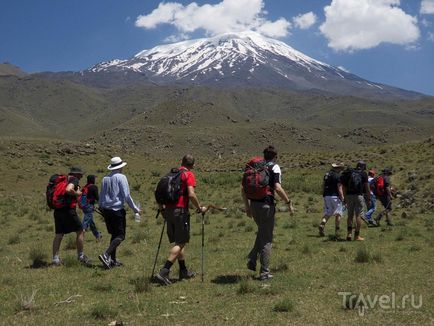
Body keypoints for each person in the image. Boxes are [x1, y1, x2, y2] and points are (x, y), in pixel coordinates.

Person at [242, 145, 294, 281]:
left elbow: (243, 189)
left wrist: (247, 207)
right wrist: (288, 202)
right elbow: (277, 187)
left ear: (264, 155)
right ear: (275, 156)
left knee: (262, 232)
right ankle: (264, 272)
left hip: (253, 204)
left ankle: (252, 259)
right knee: (266, 239)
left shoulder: (255, 167)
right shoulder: (274, 167)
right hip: (266, 205)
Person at [156, 154, 206, 285]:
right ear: (193, 165)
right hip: (180, 212)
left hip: (168, 211)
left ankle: (183, 271)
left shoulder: (170, 174)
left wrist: (162, 210)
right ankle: (164, 271)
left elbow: (158, 193)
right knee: (181, 242)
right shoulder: (187, 175)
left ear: (182, 162)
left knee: (178, 241)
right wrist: (199, 207)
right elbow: (191, 194)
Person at [98, 157, 141, 269]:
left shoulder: (105, 178)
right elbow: (126, 195)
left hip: (106, 210)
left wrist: (101, 208)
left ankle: (112, 260)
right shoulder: (121, 177)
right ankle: (106, 254)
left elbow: (101, 195)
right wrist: (135, 209)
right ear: (120, 167)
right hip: (117, 210)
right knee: (120, 235)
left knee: (114, 234)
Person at [52, 166, 91, 266]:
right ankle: (81, 256)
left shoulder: (62, 180)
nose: (81, 177)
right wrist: (77, 193)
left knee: (59, 234)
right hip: (68, 210)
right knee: (80, 231)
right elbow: (69, 190)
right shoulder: (73, 180)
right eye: (81, 175)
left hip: (58, 210)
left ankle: (55, 259)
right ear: (76, 174)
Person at [341, 161, 370, 241]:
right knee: (358, 215)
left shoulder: (349, 172)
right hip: (358, 196)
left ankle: (349, 234)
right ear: (363, 167)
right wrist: (369, 198)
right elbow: (367, 187)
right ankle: (356, 236)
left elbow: (344, 187)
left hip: (349, 196)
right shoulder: (364, 174)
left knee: (350, 215)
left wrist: (345, 198)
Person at [318, 163, 345, 237]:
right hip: (335, 196)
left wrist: (324, 193)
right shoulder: (338, 176)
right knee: (338, 214)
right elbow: (339, 188)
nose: (341, 170)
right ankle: (337, 231)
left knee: (328, 212)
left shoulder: (327, 174)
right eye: (340, 169)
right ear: (338, 168)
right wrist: (342, 197)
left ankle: (322, 223)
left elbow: (323, 185)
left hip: (326, 195)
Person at [81, 175, 102, 240]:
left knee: (91, 222)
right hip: (89, 206)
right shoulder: (94, 187)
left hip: (84, 206)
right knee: (85, 222)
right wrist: (101, 206)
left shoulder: (85, 186)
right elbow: (97, 198)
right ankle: (80, 237)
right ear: (93, 180)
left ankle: (97, 235)